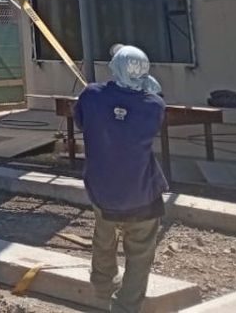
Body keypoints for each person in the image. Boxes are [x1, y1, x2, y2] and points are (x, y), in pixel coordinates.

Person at [74, 45, 168, 313]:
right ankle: (126, 306)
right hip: (142, 193)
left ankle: (102, 286)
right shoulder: (154, 106)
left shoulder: (91, 96)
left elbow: (82, 120)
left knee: (103, 236)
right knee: (139, 253)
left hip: (102, 188)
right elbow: (152, 106)